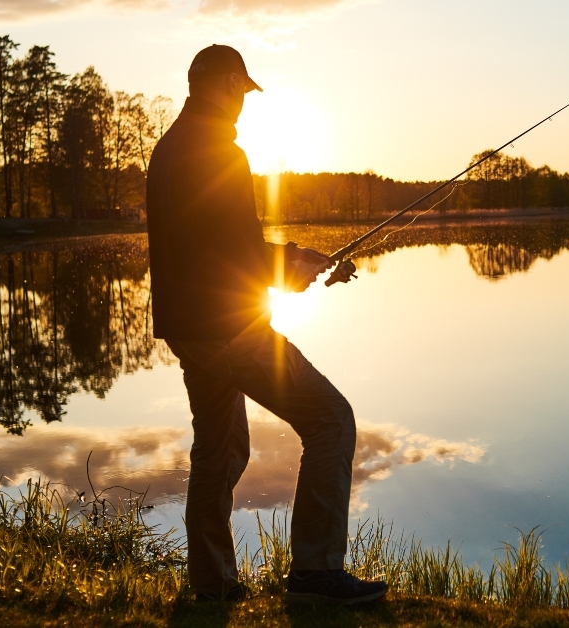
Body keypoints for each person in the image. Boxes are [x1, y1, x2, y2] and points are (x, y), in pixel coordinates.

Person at [145, 44, 388, 605]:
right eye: (244, 90)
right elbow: (239, 255)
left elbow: (221, 246)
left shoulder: (170, 147)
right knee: (331, 421)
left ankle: (211, 582)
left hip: (190, 328)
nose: (245, 103)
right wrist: (289, 269)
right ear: (229, 83)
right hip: (230, 330)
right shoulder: (218, 150)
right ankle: (314, 577)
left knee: (219, 449)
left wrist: (296, 260)